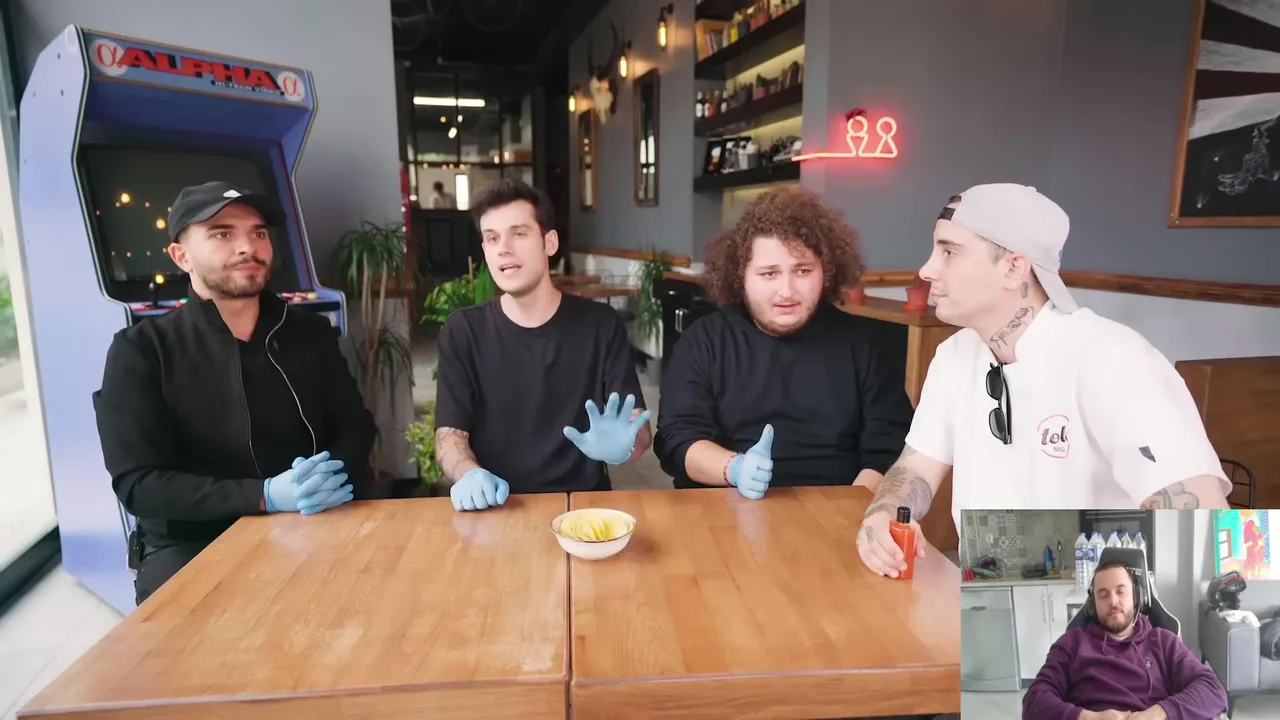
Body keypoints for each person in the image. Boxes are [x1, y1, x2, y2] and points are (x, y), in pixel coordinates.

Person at [857, 183, 1230, 578]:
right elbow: (916, 468)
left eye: (949, 252)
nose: (926, 270)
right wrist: (882, 512)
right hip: (984, 593)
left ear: (1014, 267)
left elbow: (1199, 520)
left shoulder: (1113, 358)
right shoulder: (953, 356)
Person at [93, 181, 376, 605]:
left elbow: (356, 425)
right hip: (193, 542)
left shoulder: (308, 333)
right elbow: (139, 482)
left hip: (315, 517)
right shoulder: (142, 351)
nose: (248, 247)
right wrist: (263, 495)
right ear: (181, 256)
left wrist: (328, 477)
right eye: (222, 233)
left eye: (258, 233)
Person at [654, 187, 914, 497]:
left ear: (826, 272)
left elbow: (889, 447)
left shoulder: (863, 344)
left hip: (838, 506)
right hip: (722, 504)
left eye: (802, 271)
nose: (787, 291)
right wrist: (734, 469)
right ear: (740, 276)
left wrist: (848, 510)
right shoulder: (704, 340)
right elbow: (677, 439)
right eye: (769, 274)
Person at [433, 179, 651, 511]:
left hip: (582, 507)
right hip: (497, 505)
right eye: (492, 238)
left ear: (549, 242)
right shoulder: (463, 331)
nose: (503, 248)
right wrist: (468, 473)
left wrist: (626, 443)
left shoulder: (600, 325)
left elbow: (639, 427)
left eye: (518, 233)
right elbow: (449, 435)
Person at [1023, 561, 1229, 719]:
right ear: (1093, 604)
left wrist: (1158, 713)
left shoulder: (1164, 642)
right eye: (1103, 595)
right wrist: (1090, 718)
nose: (1113, 601)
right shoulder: (1071, 644)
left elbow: (1213, 690)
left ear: (1136, 597)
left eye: (1121, 591)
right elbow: (1034, 701)